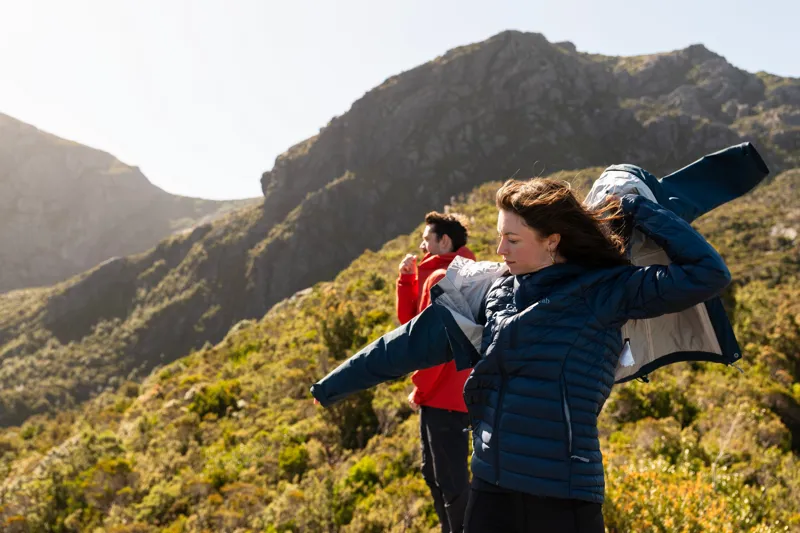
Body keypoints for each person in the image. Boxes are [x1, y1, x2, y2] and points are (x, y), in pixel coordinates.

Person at [312, 177, 732, 532]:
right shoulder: (495, 291)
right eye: (500, 236)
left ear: (552, 241)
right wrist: (332, 386)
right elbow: (406, 344)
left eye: (512, 239)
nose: (500, 249)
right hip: (491, 485)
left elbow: (708, 274)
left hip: (564, 495)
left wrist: (635, 207)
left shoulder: (608, 291)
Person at [396, 211, 475, 533]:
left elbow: (436, 349)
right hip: (443, 396)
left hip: (446, 396)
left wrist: (421, 389)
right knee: (434, 474)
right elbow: (410, 326)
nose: (422, 245)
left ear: (444, 241)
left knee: (451, 481)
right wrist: (406, 281)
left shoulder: (445, 278)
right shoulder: (440, 272)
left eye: (427, 239)